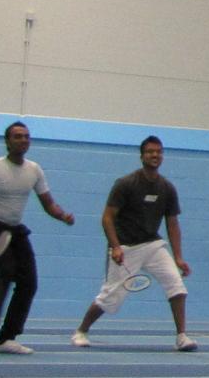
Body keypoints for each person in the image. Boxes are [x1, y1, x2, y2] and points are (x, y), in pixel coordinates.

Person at [72, 136, 197, 351]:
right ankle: (81, 331)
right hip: (126, 247)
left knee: (177, 286)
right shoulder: (125, 184)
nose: (155, 155)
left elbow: (173, 223)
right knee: (110, 297)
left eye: (158, 152)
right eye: (150, 152)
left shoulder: (167, 188)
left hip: (153, 245)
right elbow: (107, 218)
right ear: (142, 156)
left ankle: (182, 337)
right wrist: (116, 246)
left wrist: (178, 257)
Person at [0, 122, 75, 354]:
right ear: (7, 141)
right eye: (17, 137)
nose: (23, 140)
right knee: (5, 273)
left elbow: (48, 204)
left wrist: (63, 215)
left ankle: (6, 339)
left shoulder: (34, 170)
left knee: (29, 283)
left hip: (15, 229)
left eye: (26, 137)